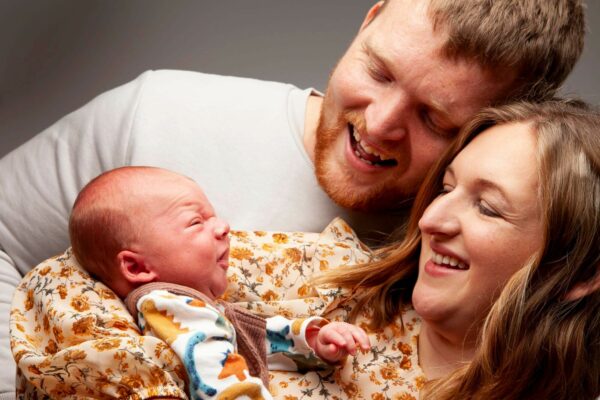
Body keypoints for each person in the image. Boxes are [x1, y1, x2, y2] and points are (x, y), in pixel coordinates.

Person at [0, 0, 587, 396]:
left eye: (435, 118)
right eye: (379, 72)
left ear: (509, 119)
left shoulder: (455, 276)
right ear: (371, 18)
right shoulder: (161, 114)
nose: (379, 125)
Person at [312, 99, 600, 399]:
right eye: (446, 189)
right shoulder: (320, 277)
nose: (429, 219)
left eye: (487, 208)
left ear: (579, 274)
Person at [68, 166, 371, 400]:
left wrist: (312, 340)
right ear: (137, 266)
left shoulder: (191, 307)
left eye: (213, 216)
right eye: (196, 222)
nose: (223, 227)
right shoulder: (172, 306)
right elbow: (219, 381)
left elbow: (249, 340)